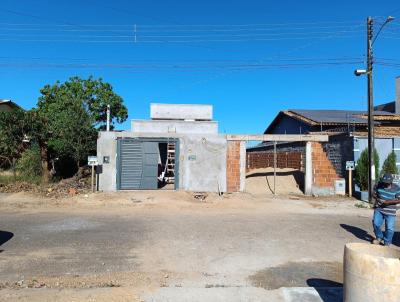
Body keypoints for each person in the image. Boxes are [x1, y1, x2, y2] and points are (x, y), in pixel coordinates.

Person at [371, 173, 400, 246]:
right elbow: (373, 193)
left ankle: (387, 242)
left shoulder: (396, 188)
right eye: (384, 182)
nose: (385, 184)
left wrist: (389, 202)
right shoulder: (379, 185)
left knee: (389, 228)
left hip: (390, 211)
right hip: (379, 208)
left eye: (387, 183)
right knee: (375, 223)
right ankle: (379, 237)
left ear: (391, 182)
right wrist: (377, 198)